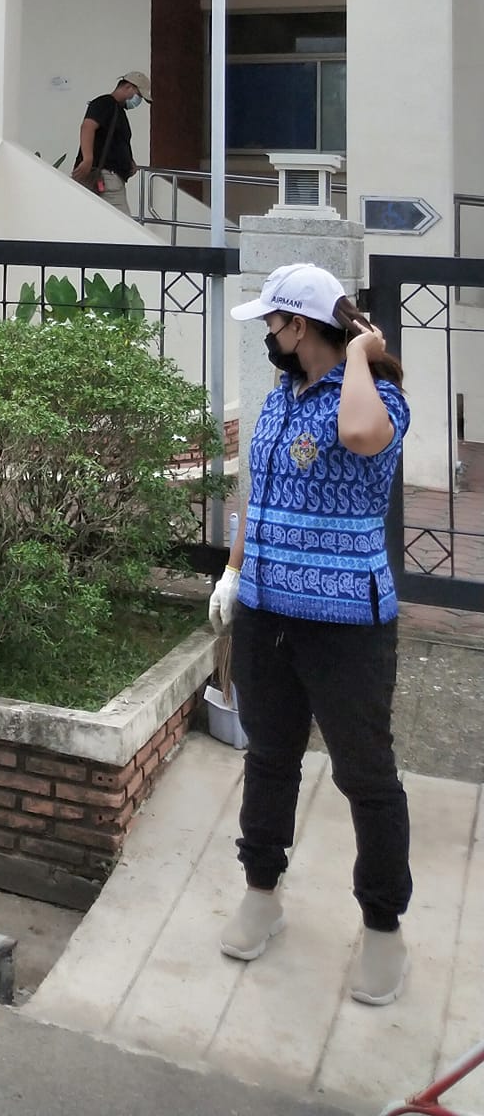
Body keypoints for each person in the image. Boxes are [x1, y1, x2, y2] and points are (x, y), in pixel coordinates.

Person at [210, 262, 412, 1007]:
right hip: (268, 614)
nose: (266, 334)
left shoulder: (379, 399)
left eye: (273, 322)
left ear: (300, 327)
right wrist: (233, 571)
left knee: (365, 775)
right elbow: (257, 492)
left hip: (347, 624)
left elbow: (359, 435)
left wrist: (357, 352)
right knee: (269, 757)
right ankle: (262, 892)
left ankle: (384, 927)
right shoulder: (279, 396)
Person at [73, 72, 149, 210]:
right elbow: (88, 127)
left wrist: (129, 162)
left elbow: (115, 142)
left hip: (110, 177)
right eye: (138, 95)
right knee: (122, 221)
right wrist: (88, 159)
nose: (138, 101)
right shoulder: (105, 103)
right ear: (128, 87)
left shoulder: (117, 110)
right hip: (106, 177)